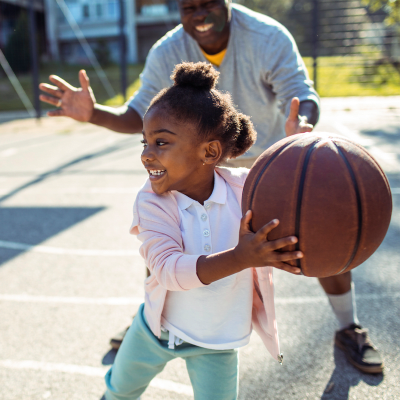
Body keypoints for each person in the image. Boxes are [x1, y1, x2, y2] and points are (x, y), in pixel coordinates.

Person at [39, 0, 383, 374]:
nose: (198, 15)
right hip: (190, 165)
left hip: (264, 164)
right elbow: (138, 113)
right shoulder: (167, 50)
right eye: (188, 8)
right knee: (166, 238)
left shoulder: (267, 36)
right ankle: (152, 320)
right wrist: (94, 113)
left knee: (317, 226)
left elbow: (300, 92)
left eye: (207, 5)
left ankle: (348, 326)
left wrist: (300, 124)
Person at [105, 61, 303, 400]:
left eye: (161, 143)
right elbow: (167, 271)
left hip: (217, 340)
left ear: (209, 152)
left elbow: (289, 198)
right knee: (118, 392)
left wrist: (297, 155)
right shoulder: (152, 202)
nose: (147, 155)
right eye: (145, 143)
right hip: (157, 331)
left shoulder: (245, 191)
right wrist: (241, 258)